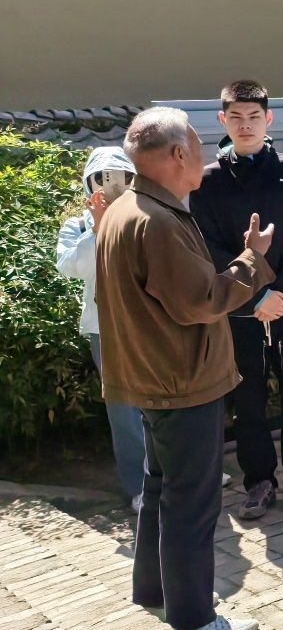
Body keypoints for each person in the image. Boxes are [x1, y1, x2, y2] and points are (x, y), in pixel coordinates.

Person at [98, 107, 272, 630]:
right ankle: (195, 619)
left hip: (155, 377)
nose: (205, 153)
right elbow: (202, 301)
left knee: (162, 488)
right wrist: (251, 259)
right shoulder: (157, 221)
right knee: (190, 505)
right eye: (198, 144)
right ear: (178, 153)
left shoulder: (129, 208)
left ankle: (153, 590)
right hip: (181, 381)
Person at [190, 79, 283, 520]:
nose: (245, 125)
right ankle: (259, 482)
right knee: (246, 396)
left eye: (254, 116)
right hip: (239, 307)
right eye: (236, 117)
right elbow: (208, 246)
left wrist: (278, 293)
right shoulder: (206, 181)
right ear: (222, 120)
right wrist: (256, 295)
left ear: (268, 119)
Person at [55, 145, 146, 511]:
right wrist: (98, 227)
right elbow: (71, 267)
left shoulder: (147, 216)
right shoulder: (78, 226)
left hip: (152, 324)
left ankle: (182, 472)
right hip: (105, 327)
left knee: (169, 400)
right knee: (124, 408)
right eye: (101, 178)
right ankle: (139, 484)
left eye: (121, 177)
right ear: (88, 184)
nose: (110, 185)